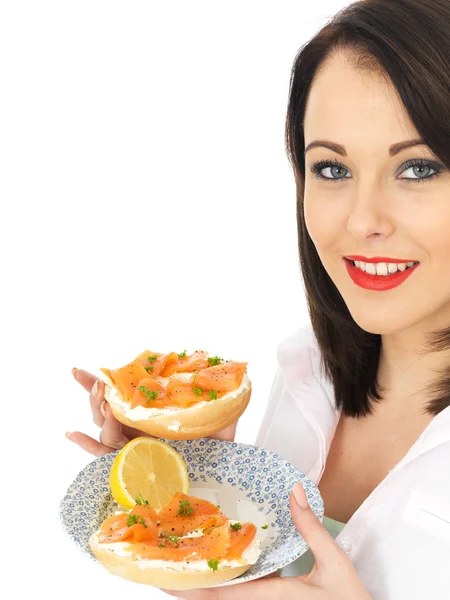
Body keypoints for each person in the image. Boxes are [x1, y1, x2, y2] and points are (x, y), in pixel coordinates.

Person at [67, 0, 450, 597]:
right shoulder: (307, 376)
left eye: (418, 169)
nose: (363, 220)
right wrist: (203, 486)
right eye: (331, 169)